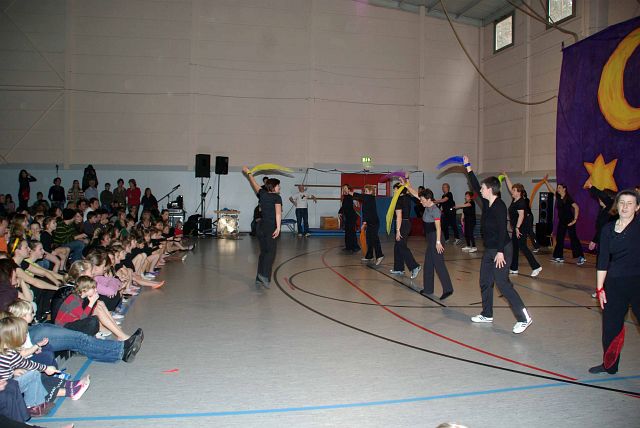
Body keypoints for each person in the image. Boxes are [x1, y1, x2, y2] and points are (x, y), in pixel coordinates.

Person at [463, 155, 532, 334]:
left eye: (483, 188)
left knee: (502, 283)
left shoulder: (499, 206)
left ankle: (524, 318)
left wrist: (500, 252)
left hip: (502, 249)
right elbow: (474, 185)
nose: (480, 190)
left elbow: (502, 230)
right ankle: (487, 314)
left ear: (490, 189)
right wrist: (468, 167)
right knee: (485, 281)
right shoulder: (487, 203)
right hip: (490, 250)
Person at [589, 190, 640, 375]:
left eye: (630, 203)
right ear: (617, 205)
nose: (625, 206)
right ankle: (609, 365)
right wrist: (600, 288)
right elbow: (603, 260)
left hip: (637, 284)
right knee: (611, 328)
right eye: (622, 202)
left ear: (637, 207)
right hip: (614, 284)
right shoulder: (608, 229)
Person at [0, 315, 91, 416]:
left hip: (8, 383)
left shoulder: (5, 351)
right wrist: (46, 368)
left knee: (33, 373)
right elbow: (28, 364)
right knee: (34, 374)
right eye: (24, 333)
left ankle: (68, 385)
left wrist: (13, 371)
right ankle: (34, 406)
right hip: (7, 388)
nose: (25, 335)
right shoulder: (10, 354)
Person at [403, 181, 453, 300]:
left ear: (429, 199)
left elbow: (438, 227)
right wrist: (407, 185)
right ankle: (428, 289)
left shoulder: (435, 210)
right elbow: (415, 194)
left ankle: (448, 289)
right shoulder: (426, 203)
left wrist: (438, 242)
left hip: (436, 237)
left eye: (422, 200)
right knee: (428, 264)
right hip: (430, 238)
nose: (420, 202)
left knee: (439, 264)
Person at [242, 167, 281, 288]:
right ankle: (264, 276)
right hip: (269, 227)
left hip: (260, 227)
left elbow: (254, 183)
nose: (279, 188)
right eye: (278, 186)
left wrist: (249, 173)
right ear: (273, 187)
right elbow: (278, 214)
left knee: (263, 252)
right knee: (271, 253)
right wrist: (278, 228)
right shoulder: (277, 197)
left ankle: (258, 278)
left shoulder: (262, 194)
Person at [503, 173, 542, 277]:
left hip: (521, 227)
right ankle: (514, 268)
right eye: (512, 190)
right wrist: (506, 177)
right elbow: (510, 186)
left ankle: (536, 267)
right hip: (517, 227)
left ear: (519, 192)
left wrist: (517, 228)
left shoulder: (521, 202)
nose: (512, 191)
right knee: (515, 247)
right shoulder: (515, 199)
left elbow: (521, 215)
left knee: (523, 246)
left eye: (514, 190)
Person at [544, 180, 586, 265]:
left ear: (564, 189)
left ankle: (581, 257)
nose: (558, 189)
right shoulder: (558, 197)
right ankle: (559, 257)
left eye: (559, 187)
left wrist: (575, 220)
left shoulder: (568, 198)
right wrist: (546, 181)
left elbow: (576, 207)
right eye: (557, 187)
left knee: (573, 238)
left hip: (570, 221)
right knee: (559, 238)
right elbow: (551, 190)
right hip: (562, 221)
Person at [391, 182, 421, 279]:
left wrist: (398, 230)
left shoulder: (399, 200)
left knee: (401, 246)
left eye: (395, 190)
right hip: (407, 223)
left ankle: (414, 266)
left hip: (402, 224)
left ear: (399, 191)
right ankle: (398, 268)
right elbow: (409, 190)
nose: (394, 192)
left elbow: (399, 216)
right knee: (397, 246)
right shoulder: (407, 197)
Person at [353, 185, 383, 265]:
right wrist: (364, 223)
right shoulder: (366, 199)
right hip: (369, 222)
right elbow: (365, 212)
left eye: (366, 191)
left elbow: (359, 196)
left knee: (374, 239)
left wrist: (350, 192)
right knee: (369, 239)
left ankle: (380, 255)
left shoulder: (370, 198)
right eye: (364, 191)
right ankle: (369, 256)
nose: (365, 193)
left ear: (371, 192)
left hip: (374, 222)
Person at [341, 185, 359, 253]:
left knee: (351, 232)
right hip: (348, 217)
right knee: (347, 232)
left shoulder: (350, 197)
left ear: (349, 190)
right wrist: (340, 212)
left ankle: (354, 247)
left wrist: (355, 201)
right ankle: (348, 247)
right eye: (343, 188)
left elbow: (348, 206)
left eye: (345, 188)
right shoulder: (345, 197)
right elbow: (344, 207)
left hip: (352, 217)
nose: (344, 189)